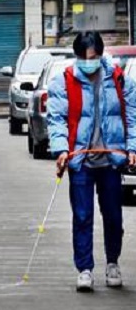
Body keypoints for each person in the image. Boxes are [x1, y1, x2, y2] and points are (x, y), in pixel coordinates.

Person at [47, 31, 136, 292]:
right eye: (84, 58)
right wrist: (61, 150)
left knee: (113, 216)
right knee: (82, 216)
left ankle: (113, 263)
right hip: (81, 162)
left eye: (94, 57)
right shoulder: (63, 81)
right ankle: (84, 269)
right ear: (76, 57)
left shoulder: (119, 79)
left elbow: (132, 117)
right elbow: (56, 119)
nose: (89, 63)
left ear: (101, 54)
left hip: (110, 161)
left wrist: (132, 148)